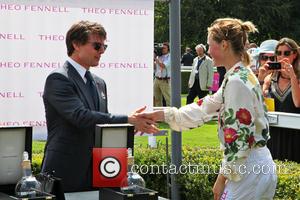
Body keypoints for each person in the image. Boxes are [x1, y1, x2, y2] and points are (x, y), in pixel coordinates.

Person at [140, 18, 277, 199]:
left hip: (248, 169)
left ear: (224, 45)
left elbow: (239, 139)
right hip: (253, 166)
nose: (208, 50)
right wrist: (161, 114)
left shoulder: (236, 80)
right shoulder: (238, 74)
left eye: (210, 45)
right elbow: (204, 108)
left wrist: (221, 179)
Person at [41, 20, 157, 192]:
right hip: (65, 171)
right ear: (76, 44)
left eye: (104, 47)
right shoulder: (58, 79)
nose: (102, 51)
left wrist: (128, 125)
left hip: (101, 169)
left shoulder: (99, 83)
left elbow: (102, 125)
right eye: (97, 46)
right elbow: (80, 117)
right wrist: (127, 119)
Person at [262, 37, 300, 162]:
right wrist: (260, 79)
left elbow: (297, 102)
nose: (282, 56)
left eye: (286, 53)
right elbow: (260, 102)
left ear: (294, 55)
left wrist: (292, 76)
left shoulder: (298, 78)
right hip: (273, 133)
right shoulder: (270, 78)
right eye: (278, 53)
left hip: (294, 134)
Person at [153, 42, 171, 106]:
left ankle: (170, 113)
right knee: (157, 98)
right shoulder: (159, 56)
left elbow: (163, 66)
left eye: (164, 48)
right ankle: (159, 113)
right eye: (162, 48)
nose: (162, 49)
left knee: (168, 99)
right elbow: (155, 67)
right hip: (157, 79)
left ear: (168, 49)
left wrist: (156, 59)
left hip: (165, 80)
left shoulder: (170, 57)